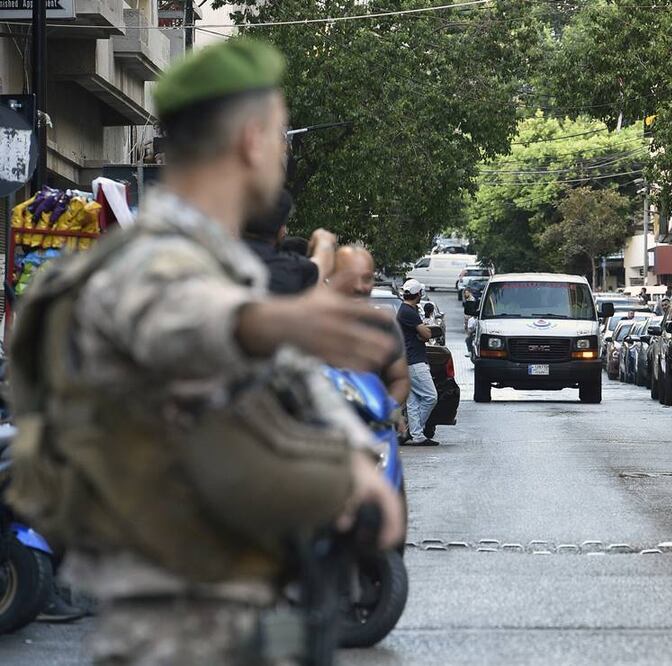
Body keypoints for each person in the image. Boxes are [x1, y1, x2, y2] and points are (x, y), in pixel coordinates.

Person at [7, 39, 405, 664]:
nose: (283, 153)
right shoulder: (151, 259)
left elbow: (286, 380)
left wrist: (352, 462)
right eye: (281, 135)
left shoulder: (224, 263)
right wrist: (262, 321)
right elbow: (185, 323)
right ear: (251, 140)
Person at [331, 246, 411, 405]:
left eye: (367, 279)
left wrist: (387, 410)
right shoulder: (311, 322)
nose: (359, 287)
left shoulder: (383, 324)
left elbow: (400, 379)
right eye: (350, 278)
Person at [242, 189, 336, 295]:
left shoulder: (224, 253)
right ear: (281, 230)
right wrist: (323, 239)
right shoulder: (285, 272)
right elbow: (322, 264)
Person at [398, 279, 439, 446]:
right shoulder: (408, 312)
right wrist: (423, 333)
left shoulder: (407, 310)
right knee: (431, 396)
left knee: (413, 401)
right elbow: (427, 334)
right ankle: (412, 431)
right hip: (414, 362)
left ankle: (417, 435)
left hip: (408, 361)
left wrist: (422, 333)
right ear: (418, 294)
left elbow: (423, 334)